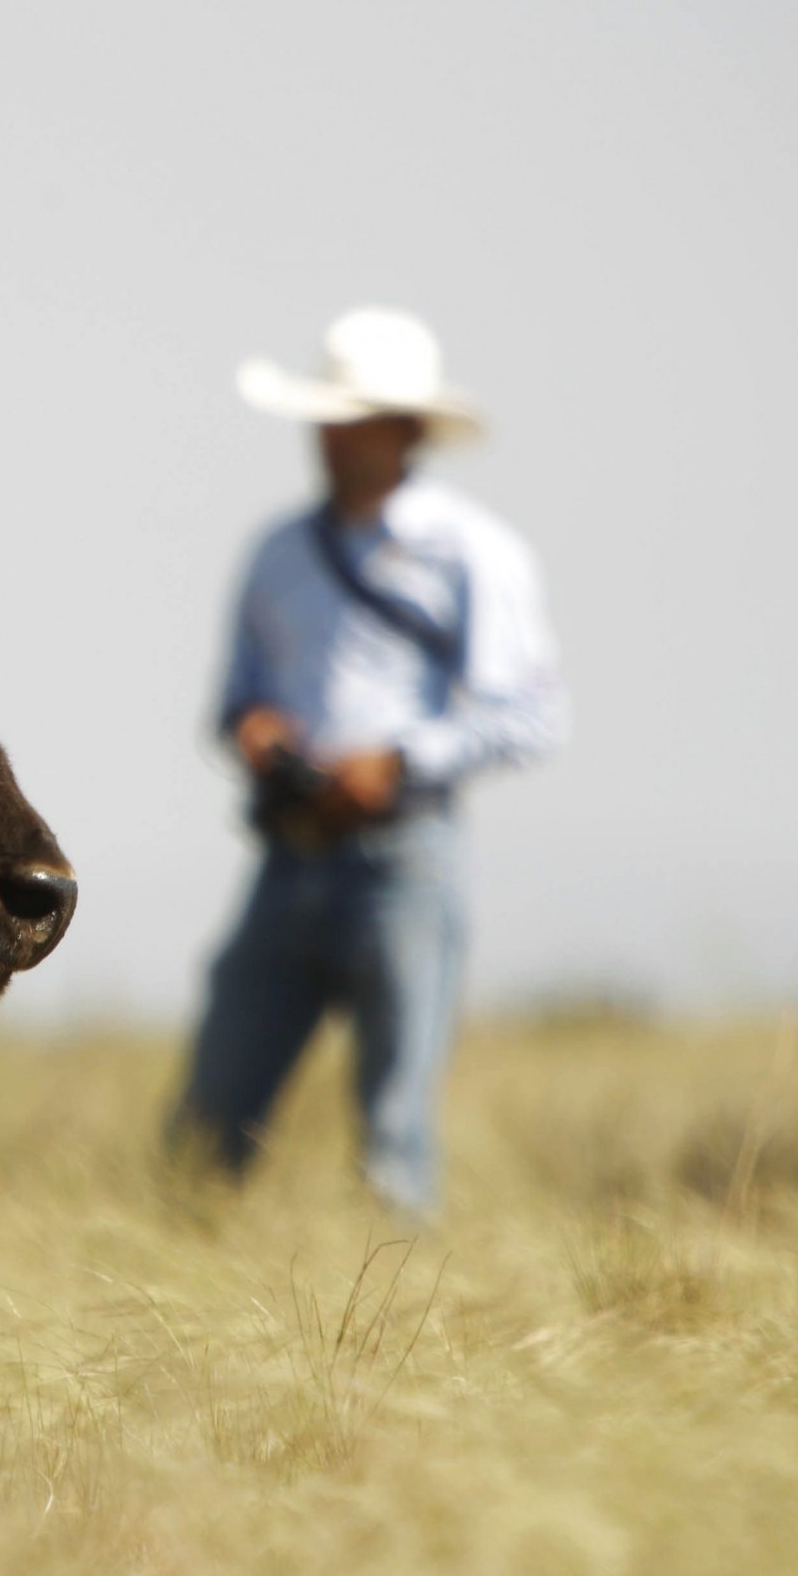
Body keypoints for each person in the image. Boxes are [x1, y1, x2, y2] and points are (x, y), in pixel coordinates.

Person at [168, 307, 566, 1218]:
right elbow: (233, 698)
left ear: (406, 430)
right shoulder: (276, 551)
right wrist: (256, 733)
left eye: (354, 418)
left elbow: (536, 714)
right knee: (207, 1123)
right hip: (288, 854)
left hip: (405, 856)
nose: (333, 437)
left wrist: (399, 761)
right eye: (328, 417)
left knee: (395, 1131)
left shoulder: (475, 551)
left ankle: (400, 1327)